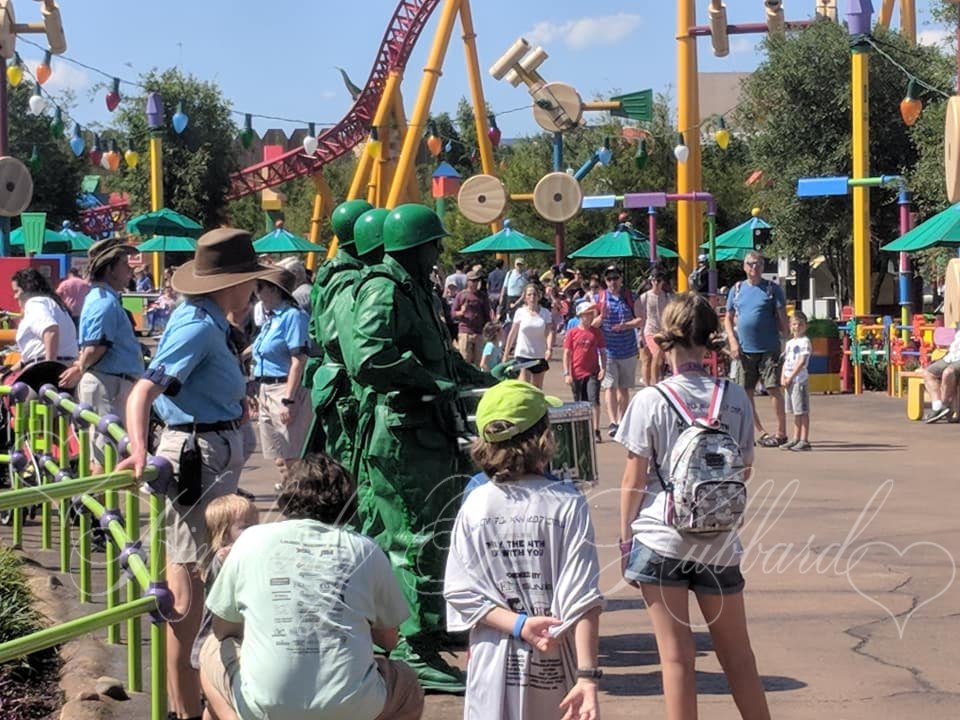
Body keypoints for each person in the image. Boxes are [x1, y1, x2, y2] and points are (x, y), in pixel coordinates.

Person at [118, 227, 272, 720]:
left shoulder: (209, 321)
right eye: (251, 281)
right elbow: (145, 389)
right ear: (233, 282)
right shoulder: (198, 326)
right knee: (186, 588)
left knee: (203, 573)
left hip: (212, 449)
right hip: (195, 457)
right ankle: (183, 708)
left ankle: (190, 699)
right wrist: (139, 448)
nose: (255, 291)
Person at [344, 203, 495, 691]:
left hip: (425, 431)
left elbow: (444, 361)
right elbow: (367, 358)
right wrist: (425, 380)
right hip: (404, 432)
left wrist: (487, 381)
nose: (438, 251)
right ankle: (410, 645)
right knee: (413, 538)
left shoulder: (416, 291)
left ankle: (425, 629)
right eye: (433, 243)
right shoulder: (385, 290)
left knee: (431, 533)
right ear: (414, 247)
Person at [616, 292, 770, 720]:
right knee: (739, 657)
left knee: (677, 659)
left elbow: (633, 478)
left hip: (661, 537)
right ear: (709, 340)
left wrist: (625, 537)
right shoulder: (735, 397)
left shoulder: (649, 400)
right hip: (718, 542)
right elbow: (744, 468)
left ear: (665, 340)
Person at [199, 454, 424, 720]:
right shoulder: (365, 548)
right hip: (352, 705)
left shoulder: (250, 541)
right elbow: (388, 639)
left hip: (265, 704)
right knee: (407, 684)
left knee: (209, 652)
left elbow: (223, 628)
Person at [444, 379, 603, 720]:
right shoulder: (567, 503)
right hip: (557, 662)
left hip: (493, 660)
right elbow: (583, 598)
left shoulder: (475, 505)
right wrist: (588, 677)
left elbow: (460, 592)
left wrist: (519, 624)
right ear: (544, 436)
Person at [59, 238, 145, 465]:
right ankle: (95, 500)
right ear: (110, 269)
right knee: (106, 453)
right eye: (125, 264)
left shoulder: (102, 299)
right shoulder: (104, 301)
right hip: (108, 384)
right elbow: (97, 345)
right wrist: (81, 366)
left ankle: (101, 500)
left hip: (111, 382)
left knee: (108, 451)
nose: (130, 269)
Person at [304, 198, 374, 465]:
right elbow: (335, 336)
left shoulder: (328, 273)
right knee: (348, 465)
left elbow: (314, 328)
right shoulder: (347, 278)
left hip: (332, 381)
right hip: (343, 388)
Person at [248, 268, 311, 485]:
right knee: (277, 454)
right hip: (265, 389)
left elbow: (298, 360)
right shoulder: (272, 318)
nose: (256, 294)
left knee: (291, 453)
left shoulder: (293, 316)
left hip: (283, 388)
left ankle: (299, 495)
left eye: (259, 288)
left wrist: (288, 400)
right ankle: (290, 491)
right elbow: (260, 348)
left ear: (274, 290)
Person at [724, 250, 789, 447]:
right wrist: (733, 342)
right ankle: (759, 431)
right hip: (745, 349)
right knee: (746, 392)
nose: (754, 267)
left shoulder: (772, 289)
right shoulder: (736, 290)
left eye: (759, 264)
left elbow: (782, 318)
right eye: (751, 263)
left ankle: (781, 432)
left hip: (769, 347)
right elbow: (727, 318)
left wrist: (787, 341)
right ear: (744, 266)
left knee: (772, 388)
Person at [189, 493, 260, 673]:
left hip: (240, 634)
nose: (253, 531)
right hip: (217, 635)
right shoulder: (224, 557)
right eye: (245, 527)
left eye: (255, 526)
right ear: (223, 536)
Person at [596, 265, 641, 437]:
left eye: (615, 278)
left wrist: (625, 326)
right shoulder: (600, 298)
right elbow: (591, 324)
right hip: (608, 350)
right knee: (610, 387)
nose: (612, 282)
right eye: (609, 279)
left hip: (628, 349)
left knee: (624, 388)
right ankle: (614, 422)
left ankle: (623, 421)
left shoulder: (630, 296)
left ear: (621, 279)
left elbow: (640, 320)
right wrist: (601, 317)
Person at [7, 268, 78, 371]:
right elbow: (32, 354)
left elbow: (50, 330)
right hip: (64, 365)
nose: (15, 296)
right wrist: (8, 373)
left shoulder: (35, 303)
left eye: (16, 291)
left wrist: (48, 369)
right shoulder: (53, 305)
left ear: (27, 288)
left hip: (45, 369)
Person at [563, 300, 606, 443]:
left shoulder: (596, 332)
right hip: (576, 373)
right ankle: (581, 431)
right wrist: (567, 373)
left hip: (592, 372)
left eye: (591, 314)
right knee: (580, 402)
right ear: (580, 316)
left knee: (594, 401)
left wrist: (603, 368)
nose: (590, 317)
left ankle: (596, 430)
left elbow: (602, 351)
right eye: (586, 314)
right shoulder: (572, 333)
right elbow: (567, 354)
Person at [503, 283, 554, 390]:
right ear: (525, 297)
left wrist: (549, 348)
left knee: (537, 389)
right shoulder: (520, 312)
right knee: (524, 388)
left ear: (539, 296)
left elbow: (549, 332)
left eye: (534, 294)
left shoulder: (545, 313)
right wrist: (506, 353)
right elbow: (513, 333)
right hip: (523, 354)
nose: (532, 297)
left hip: (539, 355)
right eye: (529, 295)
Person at [780, 311, 812, 450]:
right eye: (794, 324)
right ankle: (795, 437)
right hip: (788, 380)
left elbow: (801, 361)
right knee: (794, 411)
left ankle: (804, 440)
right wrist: (783, 377)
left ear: (805, 326)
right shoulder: (789, 343)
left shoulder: (805, 341)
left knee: (802, 411)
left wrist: (791, 377)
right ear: (790, 325)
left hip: (799, 380)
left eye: (800, 324)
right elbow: (786, 361)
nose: (797, 326)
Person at [637, 269, 673, 387]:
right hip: (649, 330)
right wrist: (640, 334)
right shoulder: (645, 297)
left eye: (658, 280)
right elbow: (640, 316)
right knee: (655, 354)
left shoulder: (667, 297)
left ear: (663, 282)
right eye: (653, 280)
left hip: (663, 330)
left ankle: (655, 381)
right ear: (650, 281)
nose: (656, 283)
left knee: (659, 358)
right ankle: (652, 384)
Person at [452, 270, 492, 366]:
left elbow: (487, 315)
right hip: (465, 332)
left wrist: (488, 330)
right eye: (473, 281)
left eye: (477, 281)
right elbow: (453, 314)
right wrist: (461, 312)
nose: (475, 283)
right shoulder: (461, 295)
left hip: (479, 333)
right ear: (468, 281)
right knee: (465, 361)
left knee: (479, 362)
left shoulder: (482, 296)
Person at [923, 328, 960, 423]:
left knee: (948, 372)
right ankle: (937, 406)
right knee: (929, 373)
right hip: (952, 356)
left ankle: (945, 405)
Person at [499, 257, 527, 323]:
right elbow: (504, 287)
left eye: (521, 265)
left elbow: (525, 290)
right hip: (510, 298)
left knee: (520, 317)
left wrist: (520, 300)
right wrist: (501, 297)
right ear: (515, 265)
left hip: (520, 298)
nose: (519, 266)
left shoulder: (525, 276)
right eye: (518, 264)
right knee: (510, 316)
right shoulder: (510, 273)